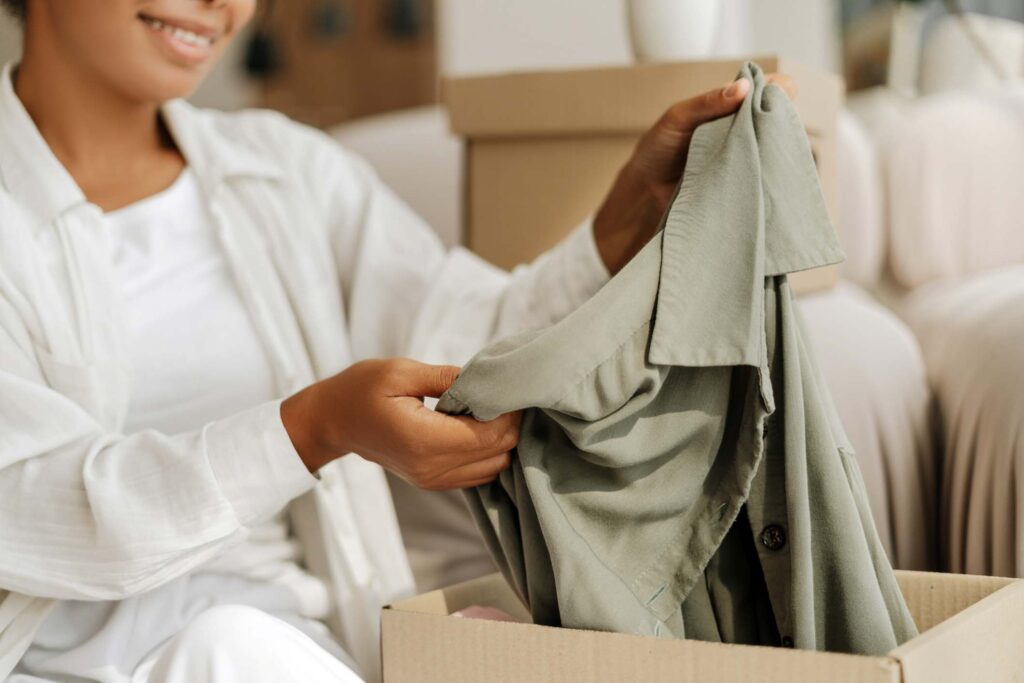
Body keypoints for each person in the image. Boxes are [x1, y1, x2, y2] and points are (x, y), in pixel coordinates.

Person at [0, 0, 796, 681]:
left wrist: (631, 209)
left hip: (296, 646)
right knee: (232, 647)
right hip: (87, 663)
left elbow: (471, 338)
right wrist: (313, 428)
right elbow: (42, 502)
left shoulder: (283, 172)